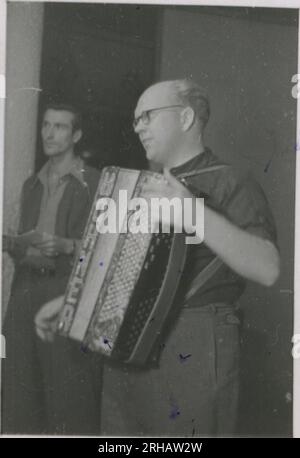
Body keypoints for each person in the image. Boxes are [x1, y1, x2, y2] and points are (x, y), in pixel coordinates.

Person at [35, 80, 280, 436]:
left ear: (185, 117)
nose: (138, 128)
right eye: (135, 121)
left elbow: (268, 268)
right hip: (125, 344)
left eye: (147, 116)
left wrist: (192, 212)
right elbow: (128, 271)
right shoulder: (142, 186)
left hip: (192, 340)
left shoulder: (230, 181)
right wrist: (73, 301)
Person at [2, 104, 102, 435]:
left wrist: (66, 246)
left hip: (66, 291)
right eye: (46, 124)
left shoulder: (96, 183)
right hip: (25, 290)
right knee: (18, 392)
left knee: (69, 397)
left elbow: (103, 252)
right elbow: (23, 245)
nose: (48, 133)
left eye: (59, 126)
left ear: (76, 135)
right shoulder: (31, 184)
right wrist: (13, 244)